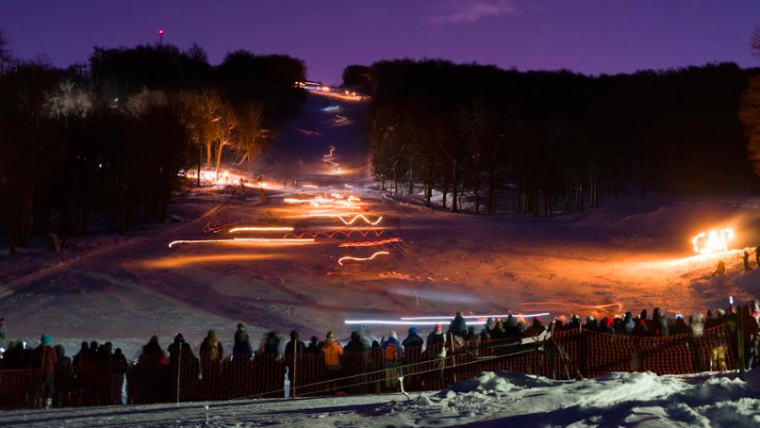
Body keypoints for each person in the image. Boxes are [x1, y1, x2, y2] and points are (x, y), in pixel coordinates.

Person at [33, 334, 57, 409]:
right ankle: (48, 404)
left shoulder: (37, 350)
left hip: (39, 371)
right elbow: (55, 360)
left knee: (38, 388)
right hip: (50, 371)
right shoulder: (51, 350)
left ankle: (36, 402)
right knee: (49, 389)